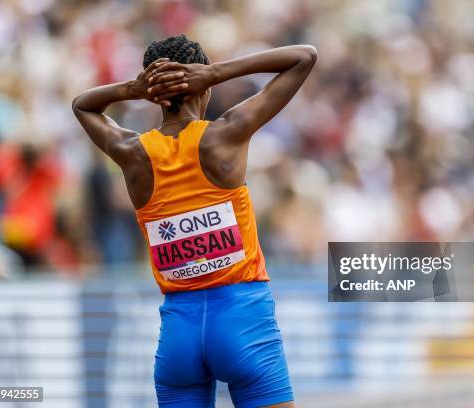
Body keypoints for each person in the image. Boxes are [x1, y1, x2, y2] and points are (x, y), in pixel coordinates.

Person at [72, 34, 317, 408]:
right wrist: (216, 73)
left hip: (179, 332)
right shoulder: (224, 136)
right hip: (243, 319)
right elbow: (303, 56)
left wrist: (135, 89)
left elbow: (83, 106)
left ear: (154, 95)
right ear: (200, 84)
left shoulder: (132, 152)